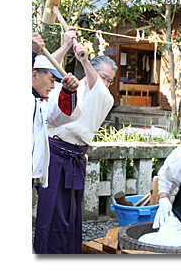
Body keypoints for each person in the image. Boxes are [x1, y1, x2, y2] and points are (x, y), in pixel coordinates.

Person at [33, 44, 118, 254]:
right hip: (55, 156)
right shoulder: (67, 86)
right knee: (50, 212)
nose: (105, 83)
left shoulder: (105, 97)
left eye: (110, 80)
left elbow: (97, 87)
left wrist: (84, 60)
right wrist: (66, 45)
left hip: (76, 159)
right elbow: (46, 70)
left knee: (71, 216)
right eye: (103, 77)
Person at [32, 55, 81, 190]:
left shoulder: (42, 103)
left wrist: (68, 91)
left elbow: (59, 117)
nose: (53, 86)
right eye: (51, 80)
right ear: (34, 75)